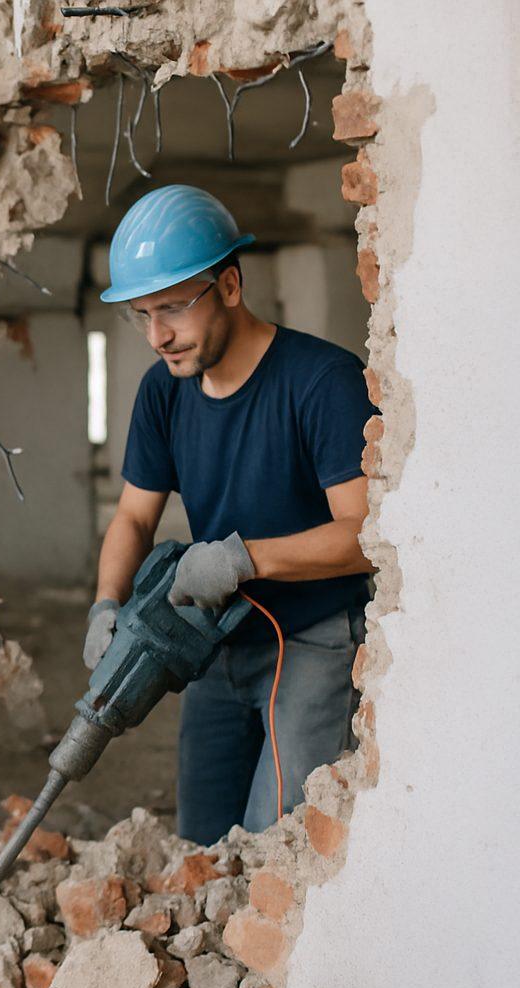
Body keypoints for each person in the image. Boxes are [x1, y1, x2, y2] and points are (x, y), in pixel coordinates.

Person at [84, 184, 377, 845]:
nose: (157, 335)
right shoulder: (163, 392)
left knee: (278, 847)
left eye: (173, 309)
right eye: (140, 314)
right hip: (214, 642)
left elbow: (365, 538)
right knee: (203, 847)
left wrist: (247, 559)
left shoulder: (322, 382)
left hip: (309, 639)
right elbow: (133, 516)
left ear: (231, 286)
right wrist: (107, 604)